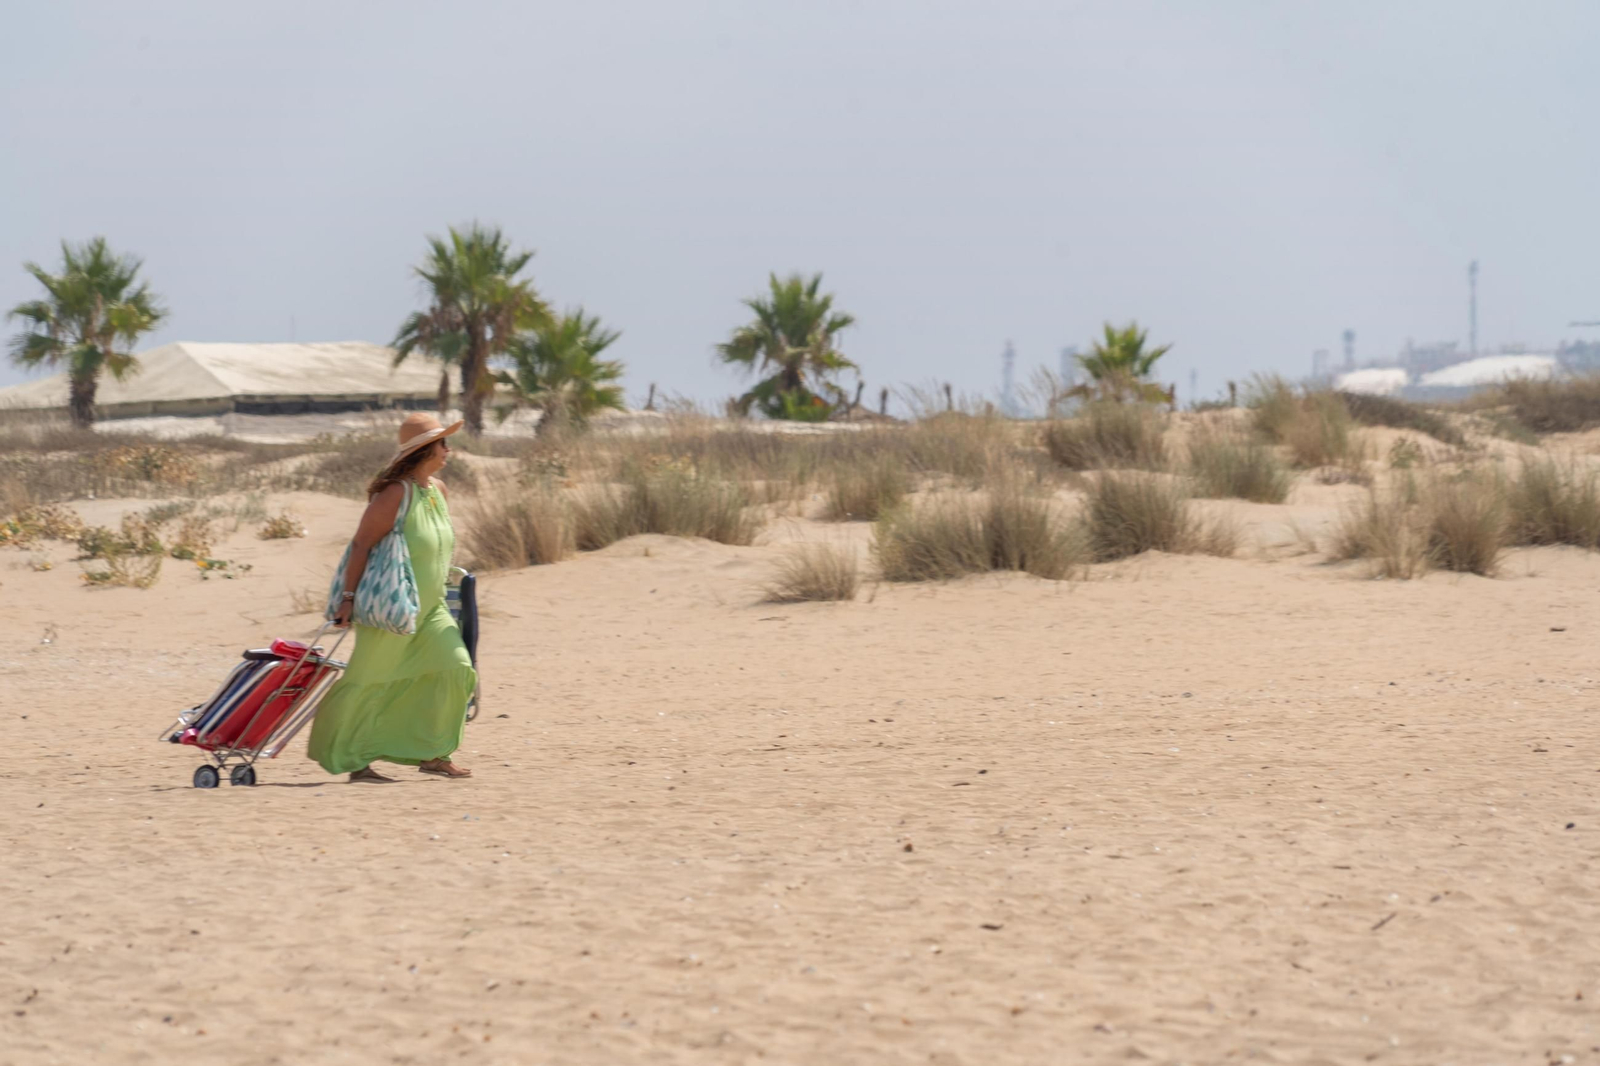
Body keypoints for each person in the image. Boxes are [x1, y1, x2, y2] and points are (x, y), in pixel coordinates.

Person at [307, 413, 477, 782]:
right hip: (394, 609)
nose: (448, 449)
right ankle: (354, 760)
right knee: (369, 680)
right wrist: (348, 598)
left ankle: (433, 752)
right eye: (442, 443)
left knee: (456, 668)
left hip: (431, 609)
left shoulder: (439, 490)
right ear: (424, 450)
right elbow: (361, 545)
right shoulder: (395, 494)